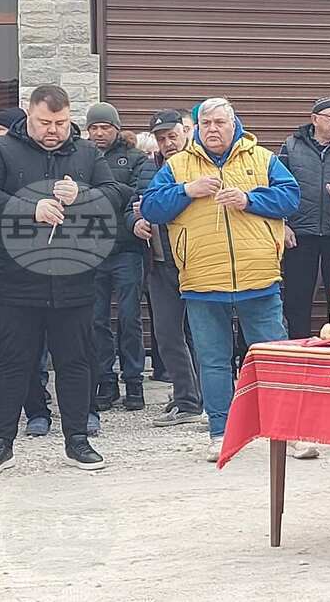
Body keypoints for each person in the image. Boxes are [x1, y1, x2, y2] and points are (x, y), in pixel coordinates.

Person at [0, 84, 123, 475]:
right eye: (44, 123)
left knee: (76, 362)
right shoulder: (2, 150)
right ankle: (0, 445)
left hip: (75, 278)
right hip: (15, 279)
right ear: (28, 114)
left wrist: (82, 194)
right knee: (11, 364)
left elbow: (116, 193)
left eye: (60, 122)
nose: (53, 130)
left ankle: (78, 441)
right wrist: (29, 207)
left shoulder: (86, 152)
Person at [141, 97, 299, 463]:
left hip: (259, 279)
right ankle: (221, 432)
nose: (213, 129)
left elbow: (291, 198)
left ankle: (288, 432)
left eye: (220, 122)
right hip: (202, 281)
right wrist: (187, 191)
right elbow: (151, 207)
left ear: (234, 124)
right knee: (213, 362)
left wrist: (248, 199)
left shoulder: (263, 159)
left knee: (274, 358)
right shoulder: (178, 165)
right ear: (196, 128)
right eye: (206, 123)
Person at [0, 108, 55, 437]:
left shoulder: (34, 166)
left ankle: (38, 409)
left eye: (3, 129)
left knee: (37, 349)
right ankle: (5, 419)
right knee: (5, 349)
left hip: (40, 266)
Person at [128, 110, 203, 427]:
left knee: (202, 334)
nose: (168, 142)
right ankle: (186, 398)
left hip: (196, 261)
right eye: (161, 138)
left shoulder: (201, 164)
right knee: (168, 334)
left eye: (172, 136)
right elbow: (131, 204)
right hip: (159, 264)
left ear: (185, 132)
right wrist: (135, 223)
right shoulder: (148, 167)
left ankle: (203, 398)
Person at [86, 102, 154, 413]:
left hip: (128, 249)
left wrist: (103, 192)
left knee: (129, 318)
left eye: (105, 127)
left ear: (116, 128)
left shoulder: (136, 158)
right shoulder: (82, 158)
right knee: (96, 320)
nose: (99, 133)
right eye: (94, 128)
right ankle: (106, 381)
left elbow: (138, 196)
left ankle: (134, 382)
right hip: (92, 252)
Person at [278, 98, 330, 341]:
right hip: (301, 234)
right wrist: (283, 224)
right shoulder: (291, 146)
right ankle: (299, 347)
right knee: (297, 299)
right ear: (314, 119)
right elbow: (277, 186)